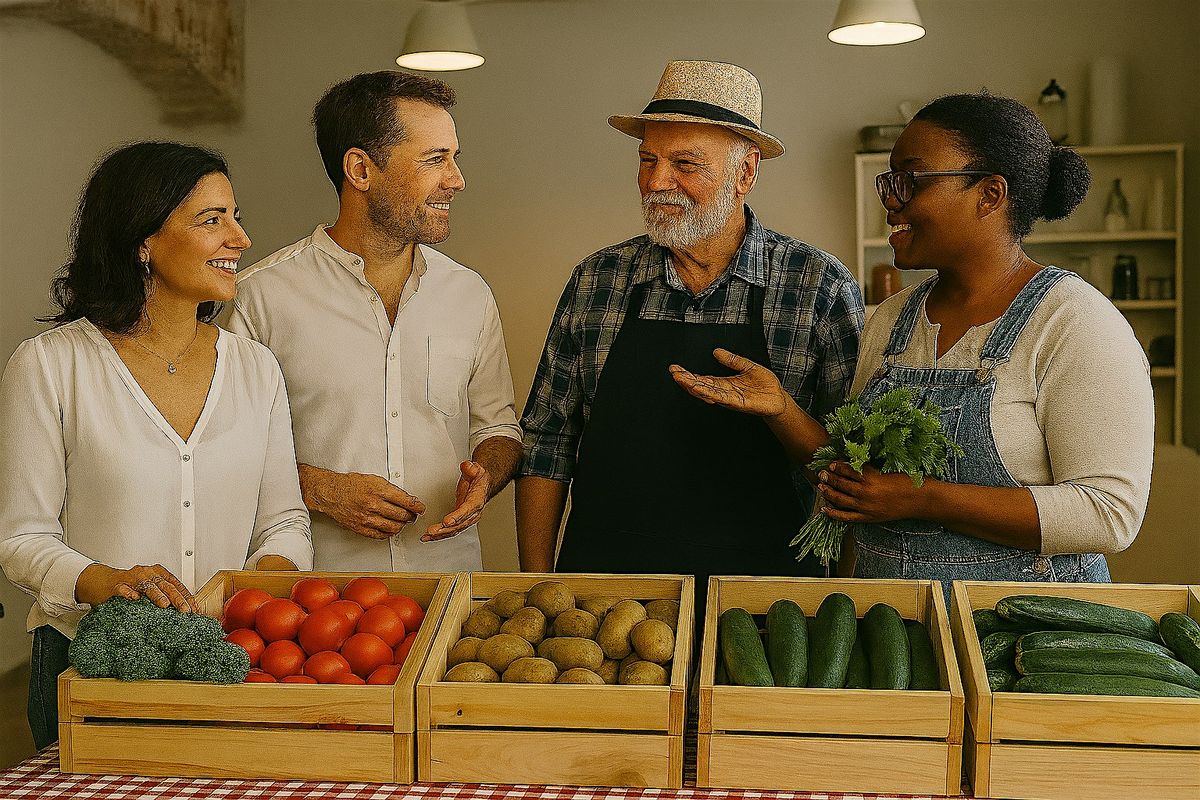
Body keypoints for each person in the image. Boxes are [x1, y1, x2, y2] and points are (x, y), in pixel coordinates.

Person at [673, 92, 1153, 590]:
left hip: (1024, 644)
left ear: (990, 195)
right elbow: (862, 479)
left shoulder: (1074, 322)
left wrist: (925, 498)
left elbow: (1108, 514)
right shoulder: (892, 319)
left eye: (911, 180)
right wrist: (781, 409)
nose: (890, 199)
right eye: (889, 180)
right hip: (899, 629)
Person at [0, 141, 313, 749]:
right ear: (142, 239)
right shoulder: (50, 364)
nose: (240, 239)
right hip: (87, 668)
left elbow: (284, 518)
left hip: (228, 664)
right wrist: (104, 580)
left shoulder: (256, 367)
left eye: (236, 215)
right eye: (212, 219)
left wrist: (264, 583)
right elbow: (20, 538)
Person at [517, 60, 864, 596]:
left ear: (745, 172)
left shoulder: (817, 285)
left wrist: (782, 410)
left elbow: (851, 468)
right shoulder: (597, 280)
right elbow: (547, 441)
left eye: (685, 163)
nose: (657, 182)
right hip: (603, 602)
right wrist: (535, 589)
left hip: (766, 601)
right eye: (647, 159)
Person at [223, 71, 522, 572]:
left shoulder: (470, 294)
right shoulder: (260, 297)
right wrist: (322, 489)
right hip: (314, 601)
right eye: (435, 160)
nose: (456, 180)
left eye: (454, 158)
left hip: (448, 586)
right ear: (360, 169)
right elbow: (220, 451)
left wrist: (486, 476)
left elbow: (498, 426)